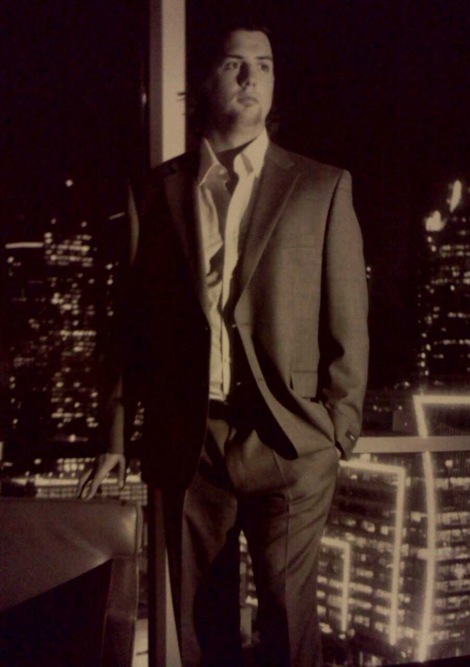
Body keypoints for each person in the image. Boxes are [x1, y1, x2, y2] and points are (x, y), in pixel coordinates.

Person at [80, 23, 369, 667]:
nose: (251, 77)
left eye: (263, 65)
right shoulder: (156, 191)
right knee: (200, 631)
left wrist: (338, 430)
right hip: (190, 444)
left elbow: (349, 321)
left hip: (291, 441)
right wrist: (115, 437)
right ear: (203, 83)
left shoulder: (321, 185)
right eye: (235, 64)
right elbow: (131, 328)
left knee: (288, 623)